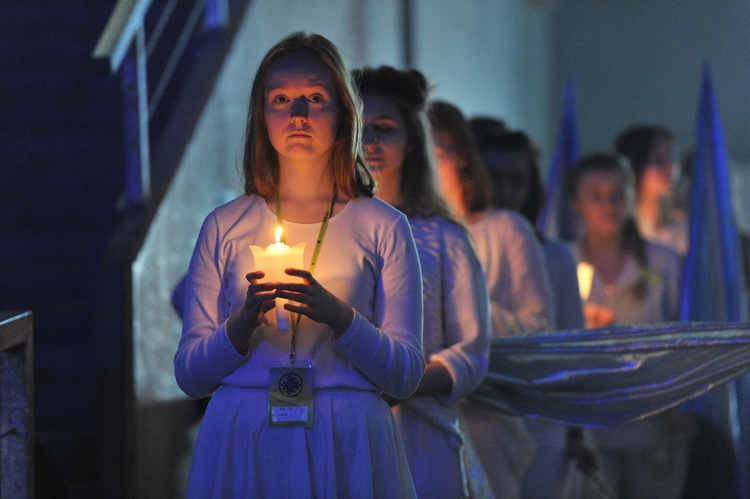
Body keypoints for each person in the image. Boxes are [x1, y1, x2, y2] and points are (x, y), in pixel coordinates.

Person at [174, 32, 425, 498]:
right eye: (281, 99)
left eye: (315, 98)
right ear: (260, 115)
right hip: (245, 434)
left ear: (344, 113)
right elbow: (190, 374)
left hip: (347, 437)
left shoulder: (383, 226)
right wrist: (241, 324)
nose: (298, 115)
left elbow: (406, 374)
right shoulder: (224, 225)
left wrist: (339, 317)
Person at [353, 65, 492, 498]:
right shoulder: (323, 230)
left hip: (420, 438)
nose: (371, 141)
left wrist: (400, 382)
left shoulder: (443, 238)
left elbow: (471, 352)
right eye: (361, 127)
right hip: (344, 432)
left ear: (411, 141)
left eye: (386, 128)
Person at [471, 123, 606, 498]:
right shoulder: (456, 243)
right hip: (478, 412)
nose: (506, 190)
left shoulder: (556, 255)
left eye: (518, 179)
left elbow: (571, 345)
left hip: (541, 420)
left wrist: (578, 432)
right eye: (494, 176)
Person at [428, 100, 555, 498]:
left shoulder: (503, 229)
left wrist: (463, 307)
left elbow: (540, 329)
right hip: (417, 412)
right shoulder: (394, 230)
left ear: (462, 157)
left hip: (486, 417)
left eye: (440, 148)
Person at [567, 152, 692, 498]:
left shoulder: (661, 262)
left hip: (655, 420)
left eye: (617, 194)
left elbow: (680, 332)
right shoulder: (565, 262)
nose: (608, 205)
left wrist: (677, 400)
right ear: (575, 203)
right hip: (590, 422)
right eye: (595, 196)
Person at [614, 125, 688, 256]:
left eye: (671, 156)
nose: (670, 166)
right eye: (658, 159)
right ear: (634, 165)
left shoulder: (682, 229)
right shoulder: (619, 232)